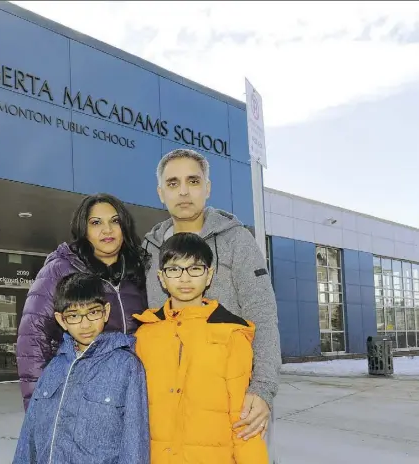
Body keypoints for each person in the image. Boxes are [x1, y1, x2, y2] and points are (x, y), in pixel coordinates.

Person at [143, 149, 281, 445]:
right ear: (160, 193)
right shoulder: (149, 248)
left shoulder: (237, 240)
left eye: (193, 181)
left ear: (207, 188)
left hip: (232, 401)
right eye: (172, 183)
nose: (183, 191)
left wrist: (263, 389)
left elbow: (263, 315)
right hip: (169, 404)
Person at [134, 232, 268, 463]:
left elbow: (243, 418)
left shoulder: (231, 334)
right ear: (161, 278)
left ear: (209, 276)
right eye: (174, 269)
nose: (185, 278)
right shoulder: (145, 334)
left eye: (195, 269)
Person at [16, 193, 148, 409]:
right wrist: (39, 409)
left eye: (115, 221)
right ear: (83, 229)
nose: (107, 230)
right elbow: (33, 340)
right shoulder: (60, 270)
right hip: (79, 399)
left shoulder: (138, 271)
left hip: (131, 393)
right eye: (96, 223)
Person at [14, 273, 150, 464]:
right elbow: (29, 435)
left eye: (93, 312)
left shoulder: (126, 365)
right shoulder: (54, 367)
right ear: (61, 320)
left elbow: (135, 440)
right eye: (74, 316)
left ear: (106, 312)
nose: (85, 324)